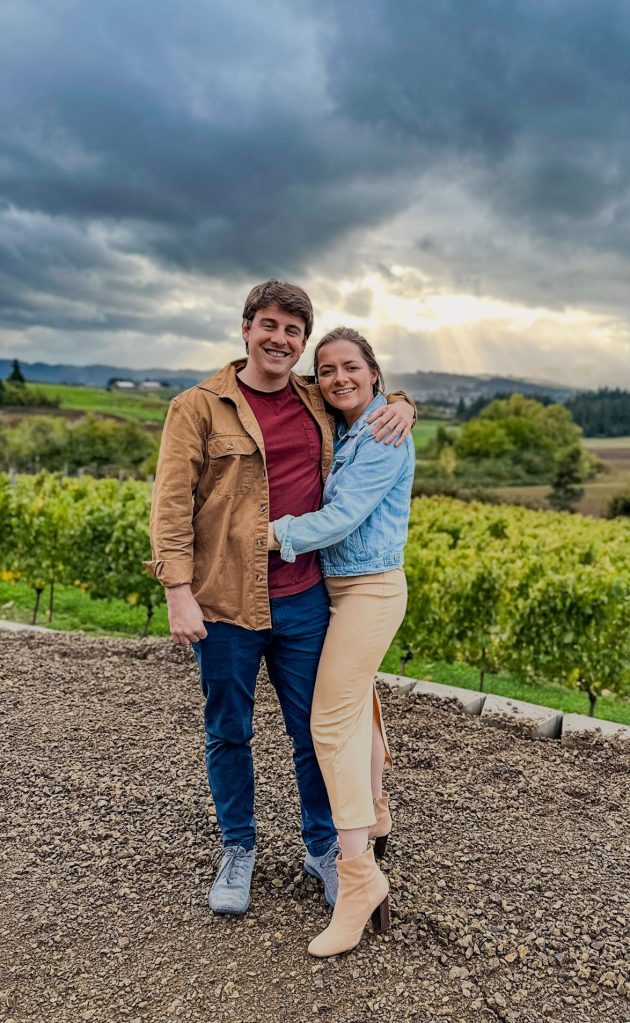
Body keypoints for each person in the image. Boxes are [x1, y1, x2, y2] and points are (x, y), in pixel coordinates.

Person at [146, 281, 415, 916]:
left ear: (300, 344)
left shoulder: (313, 399)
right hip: (225, 602)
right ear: (245, 329)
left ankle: (322, 848)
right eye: (269, 325)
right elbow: (170, 505)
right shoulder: (196, 407)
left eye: (293, 332)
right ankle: (238, 848)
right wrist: (178, 592)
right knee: (228, 731)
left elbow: (363, 398)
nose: (280, 339)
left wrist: (405, 401)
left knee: (313, 732)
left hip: (304, 599)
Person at [268, 326, 415, 957]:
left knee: (329, 723)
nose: (337, 378)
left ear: (373, 372)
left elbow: (344, 516)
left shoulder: (382, 434)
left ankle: (357, 877)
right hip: (341, 591)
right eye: (326, 370)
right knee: (356, 710)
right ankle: (375, 810)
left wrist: (267, 534)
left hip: (371, 591)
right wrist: (409, 398)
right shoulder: (349, 427)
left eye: (350, 367)